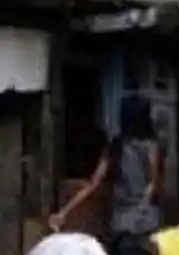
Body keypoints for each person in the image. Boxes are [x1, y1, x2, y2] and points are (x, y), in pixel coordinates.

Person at [49, 97, 161, 244]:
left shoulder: (116, 146)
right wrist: (142, 208)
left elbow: (93, 184)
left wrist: (64, 212)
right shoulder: (150, 146)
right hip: (143, 221)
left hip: (121, 221)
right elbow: (153, 183)